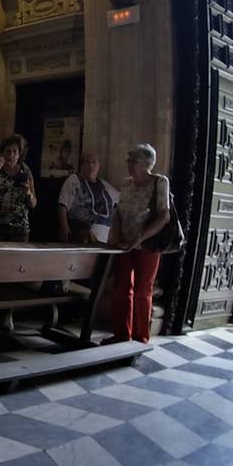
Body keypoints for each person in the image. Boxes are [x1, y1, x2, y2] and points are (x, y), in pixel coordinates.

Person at [109, 143, 171, 343]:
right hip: (124, 243)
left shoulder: (160, 182)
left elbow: (164, 216)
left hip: (148, 244)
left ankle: (141, 336)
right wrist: (117, 237)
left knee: (143, 290)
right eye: (129, 159)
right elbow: (118, 211)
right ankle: (121, 334)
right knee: (121, 288)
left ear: (147, 163)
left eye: (133, 160)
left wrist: (139, 238)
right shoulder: (127, 183)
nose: (129, 164)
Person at [0, 134, 37, 241]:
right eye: (8, 151)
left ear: (19, 155)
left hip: (19, 228)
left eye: (15, 152)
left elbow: (33, 204)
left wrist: (28, 193)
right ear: (2, 153)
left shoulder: (25, 171)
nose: (11, 155)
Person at [57, 151, 119, 243]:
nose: (91, 166)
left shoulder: (105, 185)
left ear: (99, 166)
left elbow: (123, 200)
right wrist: (64, 226)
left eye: (94, 162)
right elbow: (63, 204)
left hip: (105, 234)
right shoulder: (74, 180)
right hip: (80, 229)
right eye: (87, 162)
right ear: (81, 165)